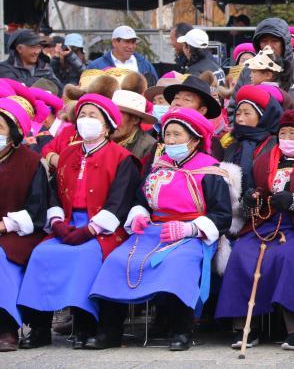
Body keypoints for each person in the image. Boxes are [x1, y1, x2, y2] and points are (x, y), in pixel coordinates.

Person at [86, 108, 234, 351]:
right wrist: (139, 215)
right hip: (153, 230)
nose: (171, 140)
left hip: (191, 235)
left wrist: (188, 229)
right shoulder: (158, 166)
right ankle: (109, 330)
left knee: (179, 263)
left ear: (194, 139)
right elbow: (141, 199)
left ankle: (181, 330)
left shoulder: (211, 170)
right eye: (168, 135)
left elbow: (222, 216)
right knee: (117, 260)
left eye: (177, 135)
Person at [17, 94, 140, 349]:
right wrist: (57, 222)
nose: (86, 120)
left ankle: (87, 325)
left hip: (105, 228)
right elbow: (53, 193)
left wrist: (91, 229)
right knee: (41, 253)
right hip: (67, 223)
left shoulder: (122, 158)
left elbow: (120, 202)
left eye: (93, 116)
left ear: (107, 125)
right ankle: (39, 327)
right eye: (82, 115)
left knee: (86, 256)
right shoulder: (67, 153)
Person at [217, 110, 294, 350]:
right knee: (243, 252)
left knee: (291, 256)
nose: (286, 138)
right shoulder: (265, 161)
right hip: (266, 224)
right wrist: (250, 200)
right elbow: (250, 205)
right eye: (283, 133)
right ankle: (246, 327)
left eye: (293, 134)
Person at [0, 98, 49, 352]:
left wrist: (5, 225)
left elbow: (37, 211)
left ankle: (6, 328)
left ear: (13, 133)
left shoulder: (31, 162)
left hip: (19, 232)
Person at [233, 17, 294, 110]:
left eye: (275, 41)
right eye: (264, 41)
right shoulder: (247, 71)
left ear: (285, 43)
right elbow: (234, 108)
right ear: (258, 44)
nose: (269, 46)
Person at [87, 26, 157, 86]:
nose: (131, 46)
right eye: (127, 42)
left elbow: (154, 89)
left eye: (133, 42)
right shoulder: (96, 66)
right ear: (114, 42)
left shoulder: (145, 64)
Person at [0, 29, 63, 94]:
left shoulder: (44, 68)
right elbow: (16, 89)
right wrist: (44, 82)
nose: (37, 51)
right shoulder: (4, 68)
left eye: (39, 47)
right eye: (33, 47)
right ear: (19, 48)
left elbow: (59, 90)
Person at [110, 90, 157, 163]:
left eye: (118, 115)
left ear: (135, 119)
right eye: (111, 115)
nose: (112, 122)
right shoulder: (103, 139)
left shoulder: (149, 146)